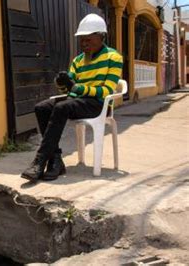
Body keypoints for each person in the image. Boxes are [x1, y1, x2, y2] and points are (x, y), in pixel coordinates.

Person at [21, 13, 123, 181]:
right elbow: (68, 90)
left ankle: (40, 161)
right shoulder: (78, 60)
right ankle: (55, 160)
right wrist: (62, 82)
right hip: (77, 101)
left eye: (88, 40)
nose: (84, 44)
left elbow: (107, 91)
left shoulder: (114, 57)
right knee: (42, 107)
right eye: (82, 40)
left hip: (97, 105)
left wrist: (77, 88)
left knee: (62, 107)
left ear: (100, 36)